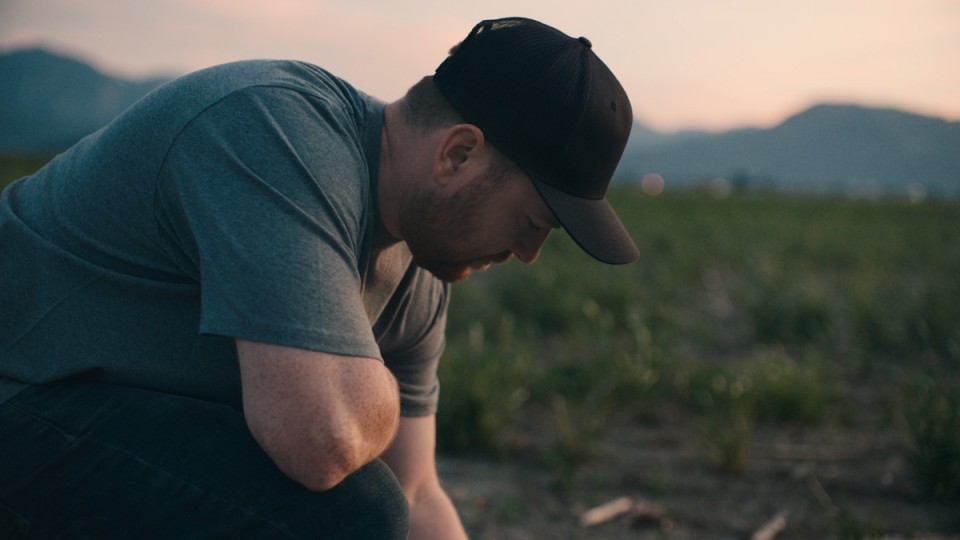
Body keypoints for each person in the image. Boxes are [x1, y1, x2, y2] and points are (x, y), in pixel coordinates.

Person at [0, 16, 638, 539]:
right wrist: (366, 391)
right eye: (533, 222)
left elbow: (417, 492)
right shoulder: (275, 129)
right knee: (346, 514)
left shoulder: (423, 271)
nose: (529, 254)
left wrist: (360, 388)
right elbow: (318, 438)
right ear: (458, 154)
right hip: (23, 395)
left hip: (103, 425)